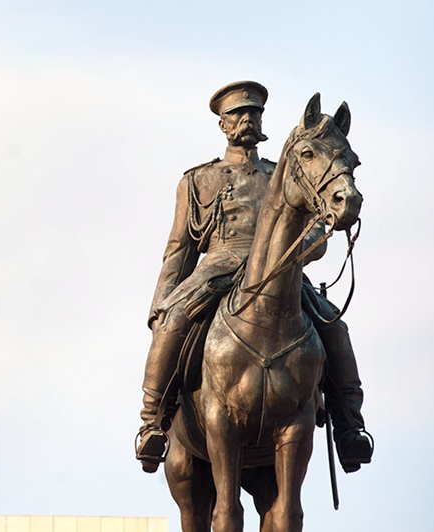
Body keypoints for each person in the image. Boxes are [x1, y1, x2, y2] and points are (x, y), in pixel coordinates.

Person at [135, 80, 373, 474]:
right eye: (237, 114)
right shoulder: (198, 180)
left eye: (254, 113)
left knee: (334, 325)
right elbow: (179, 249)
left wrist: (302, 248)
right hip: (219, 266)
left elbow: (316, 226)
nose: (247, 119)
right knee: (175, 321)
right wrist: (162, 304)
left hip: (280, 269)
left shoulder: (285, 172)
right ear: (223, 125)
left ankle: (350, 426)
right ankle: (152, 422)